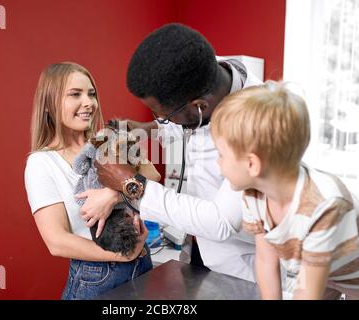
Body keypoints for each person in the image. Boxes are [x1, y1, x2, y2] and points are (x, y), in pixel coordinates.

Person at [78, 23, 261, 283]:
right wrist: (147, 128)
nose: (162, 122)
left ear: (200, 106)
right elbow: (184, 122)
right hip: (200, 249)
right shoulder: (204, 72)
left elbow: (221, 221)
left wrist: (129, 184)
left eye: (164, 115)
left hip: (244, 267)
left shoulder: (260, 127)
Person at [210, 81, 359, 300]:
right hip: (319, 266)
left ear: (252, 164)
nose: (217, 162)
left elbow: (307, 291)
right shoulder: (254, 194)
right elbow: (266, 261)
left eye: (221, 154)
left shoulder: (323, 206)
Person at [24, 62, 152, 300]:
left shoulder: (106, 142)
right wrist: (122, 255)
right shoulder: (41, 163)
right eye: (75, 94)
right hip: (98, 276)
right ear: (50, 104)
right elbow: (57, 241)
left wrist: (113, 194)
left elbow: (153, 175)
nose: (89, 103)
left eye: (91, 94)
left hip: (142, 263)